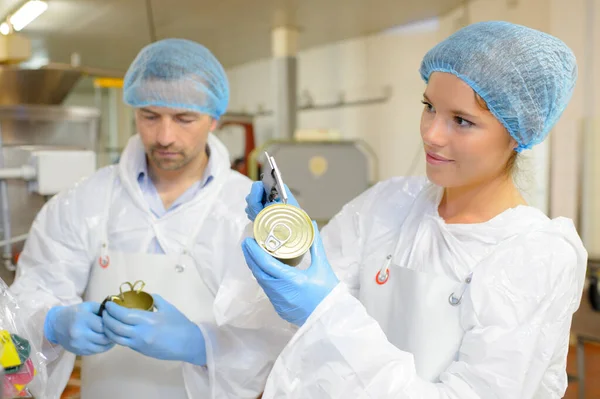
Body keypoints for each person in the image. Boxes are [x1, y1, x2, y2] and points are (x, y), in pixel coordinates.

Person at [243, 21, 588, 398]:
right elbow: (309, 307)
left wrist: (326, 314)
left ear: (518, 135)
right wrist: (292, 247)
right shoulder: (389, 204)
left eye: (461, 120)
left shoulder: (535, 256)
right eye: (429, 107)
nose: (431, 134)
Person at [10, 38, 292, 399]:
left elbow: (275, 338)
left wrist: (200, 344)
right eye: (149, 116)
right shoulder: (86, 200)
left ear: (215, 118)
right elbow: (30, 297)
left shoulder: (245, 211)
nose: (164, 136)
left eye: (184, 118)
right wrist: (50, 324)